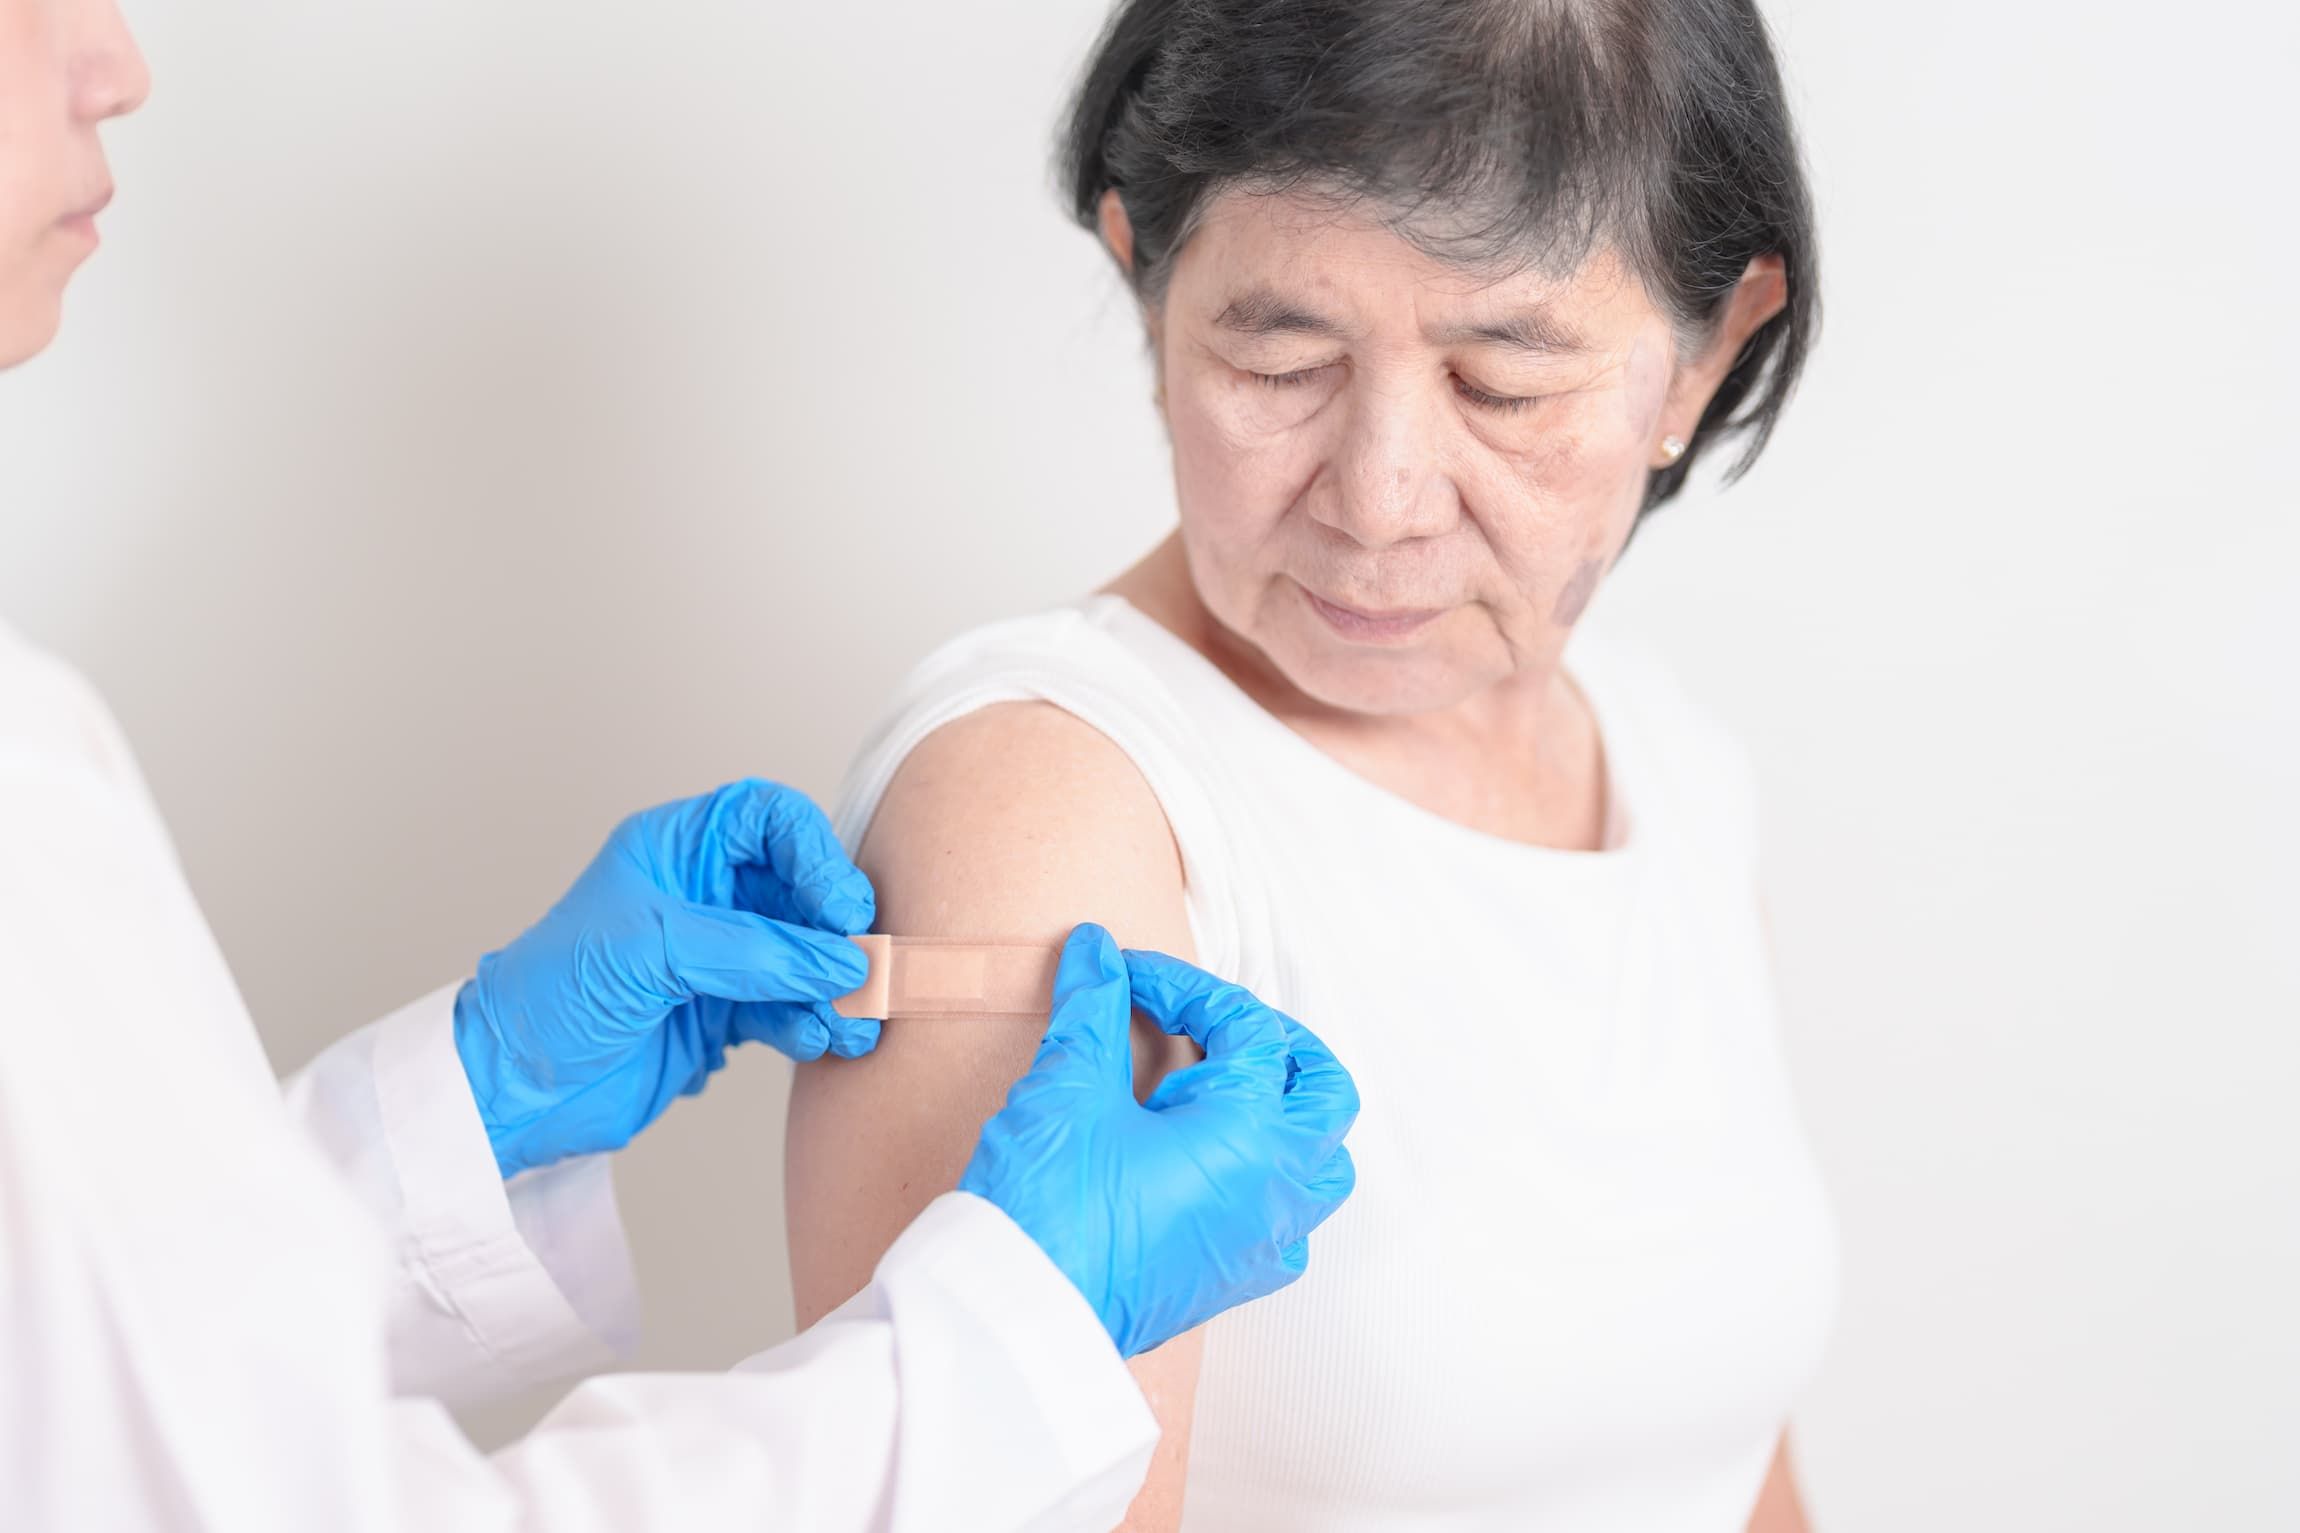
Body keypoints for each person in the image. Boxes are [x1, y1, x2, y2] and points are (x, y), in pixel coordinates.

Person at [0, 0, 1359, 1528]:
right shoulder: (1043, 776)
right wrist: (1017, 1335)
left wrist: (476, 1096)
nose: (117, 66)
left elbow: (93, 1384)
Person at [784, 0, 1836, 1528]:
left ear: (1703, 356)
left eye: (1503, 386)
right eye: (1280, 359)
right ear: (1147, 288)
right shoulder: (1053, 804)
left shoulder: (1669, 763)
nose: (1380, 497)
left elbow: (1730, 1461)